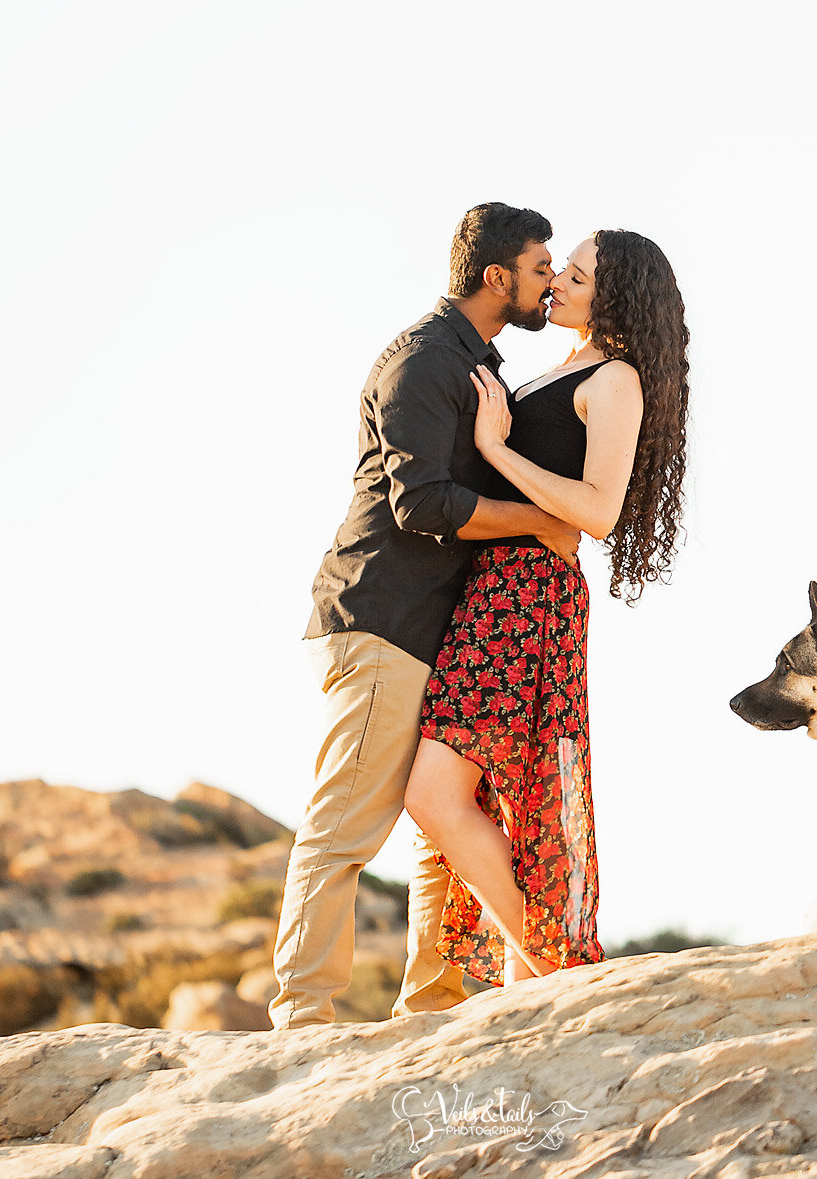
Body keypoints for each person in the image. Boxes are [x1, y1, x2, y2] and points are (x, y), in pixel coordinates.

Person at [271, 203, 583, 1030]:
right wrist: (541, 522)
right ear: (496, 277)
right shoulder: (423, 361)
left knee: (443, 819)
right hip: (381, 618)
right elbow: (421, 505)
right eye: (540, 267)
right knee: (346, 822)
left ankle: (428, 1006)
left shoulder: (473, 361)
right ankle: (301, 1017)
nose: (549, 282)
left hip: (428, 629)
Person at [404, 229, 690, 987]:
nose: (557, 280)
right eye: (560, 267)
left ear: (616, 293)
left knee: (435, 793)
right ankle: (529, 978)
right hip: (492, 587)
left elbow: (597, 511)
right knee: (492, 795)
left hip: (529, 592)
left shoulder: (616, 380)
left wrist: (496, 451)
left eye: (577, 273)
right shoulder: (561, 368)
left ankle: (554, 966)